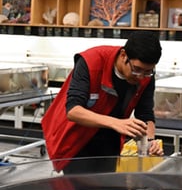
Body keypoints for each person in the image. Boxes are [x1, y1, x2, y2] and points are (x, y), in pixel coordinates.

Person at [42, 31, 163, 173]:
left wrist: (150, 141)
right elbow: (73, 110)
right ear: (123, 55)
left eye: (148, 71)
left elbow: (145, 113)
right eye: (137, 69)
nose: (142, 76)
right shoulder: (92, 61)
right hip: (77, 138)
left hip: (109, 138)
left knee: (107, 186)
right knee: (80, 189)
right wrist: (116, 122)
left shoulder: (146, 76)